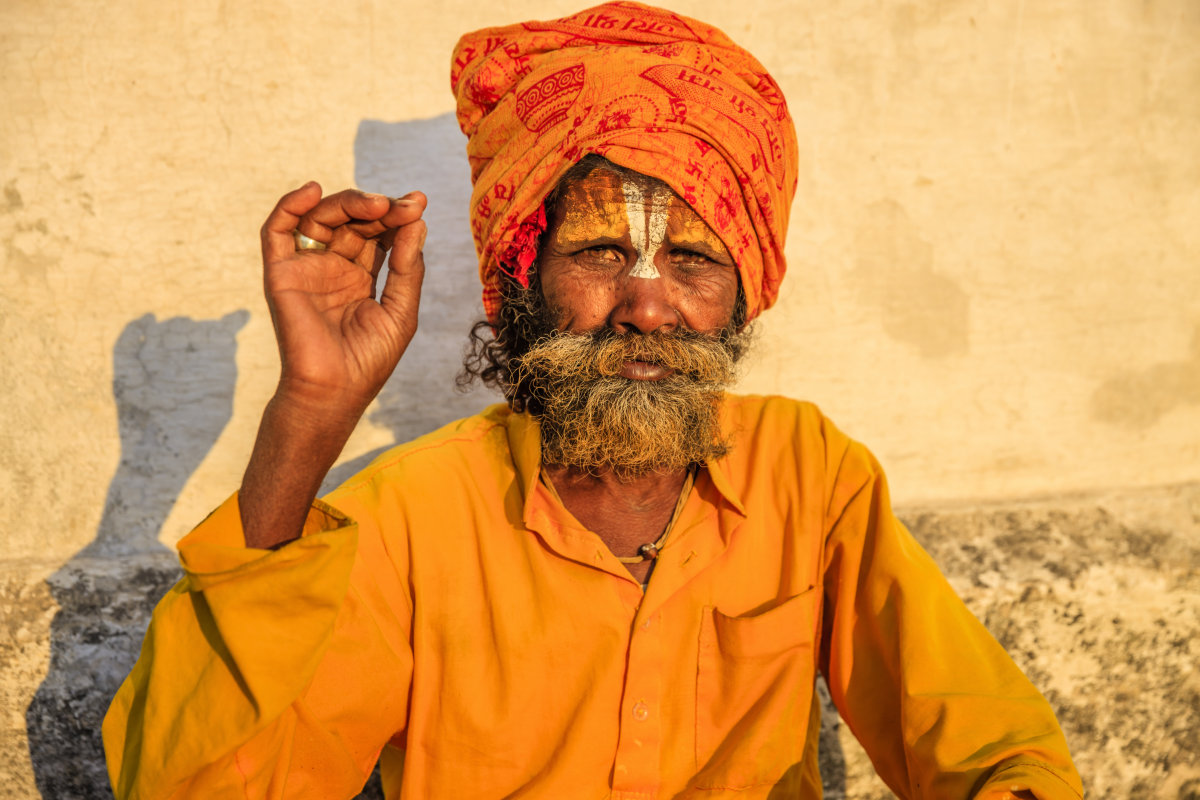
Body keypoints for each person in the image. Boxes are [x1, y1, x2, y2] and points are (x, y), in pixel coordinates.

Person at [103, 3, 1083, 799]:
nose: (648, 305)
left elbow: (989, 742)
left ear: (743, 297)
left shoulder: (809, 472)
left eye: (694, 259)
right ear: (522, 276)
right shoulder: (405, 518)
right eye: (602, 252)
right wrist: (307, 415)